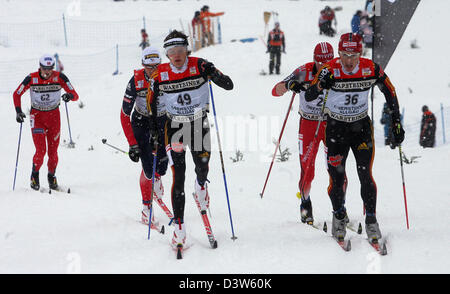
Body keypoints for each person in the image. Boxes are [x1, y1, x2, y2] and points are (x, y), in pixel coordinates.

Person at [304, 33, 405, 243]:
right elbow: (310, 95)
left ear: (361, 53)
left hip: (361, 129)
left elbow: (390, 91)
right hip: (335, 129)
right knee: (337, 179)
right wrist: (321, 84)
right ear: (338, 53)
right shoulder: (329, 69)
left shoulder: (370, 68)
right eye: (344, 55)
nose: (349, 61)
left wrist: (396, 122)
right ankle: (339, 215)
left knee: (365, 175)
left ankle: (371, 220)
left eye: (354, 55)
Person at [147, 30, 233, 250]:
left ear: (187, 49)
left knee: (202, 167)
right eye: (172, 51)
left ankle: (201, 187)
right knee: (179, 175)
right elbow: (151, 103)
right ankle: (179, 228)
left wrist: (214, 73)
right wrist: (155, 131)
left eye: (180, 50)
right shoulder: (159, 75)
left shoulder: (199, 65)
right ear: (166, 54)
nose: (177, 55)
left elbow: (228, 84)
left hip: (198, 124)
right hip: (174, 126)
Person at [271, 42, 334, 224]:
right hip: (308, 124)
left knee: (335, 169)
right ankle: (305, 203)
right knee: (307, 169)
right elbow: (275, 91)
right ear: (314, 60)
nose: (324, 66)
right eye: (320, 62)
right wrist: (291, 84)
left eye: (328, 62)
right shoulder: (304, 71)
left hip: (331, 124)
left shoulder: (337, 70)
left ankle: (339, 207)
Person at [120, 46, 173, 228]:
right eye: (149, 67)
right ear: (143, 65)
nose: (153, 71)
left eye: (156, 66)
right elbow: (124, 114)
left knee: (163, 166)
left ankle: (157, 178)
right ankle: (146, 208)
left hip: (162, 121)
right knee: (148, 168)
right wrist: (132, 144)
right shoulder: (135, 81)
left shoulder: (167, 75)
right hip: (141, 122)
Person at [13, 54, 79, 191]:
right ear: (40, 67)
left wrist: (69, 96)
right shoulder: (31, 78)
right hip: (37, 118)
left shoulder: (60, 77)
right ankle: (34, 175)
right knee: (41, 151)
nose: (47, 72)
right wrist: (18, 111)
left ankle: (51, 176)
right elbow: (16, 94)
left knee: (53, 152)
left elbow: (75, 95)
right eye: (44, 68)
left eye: (50, 68)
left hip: (54, 118)